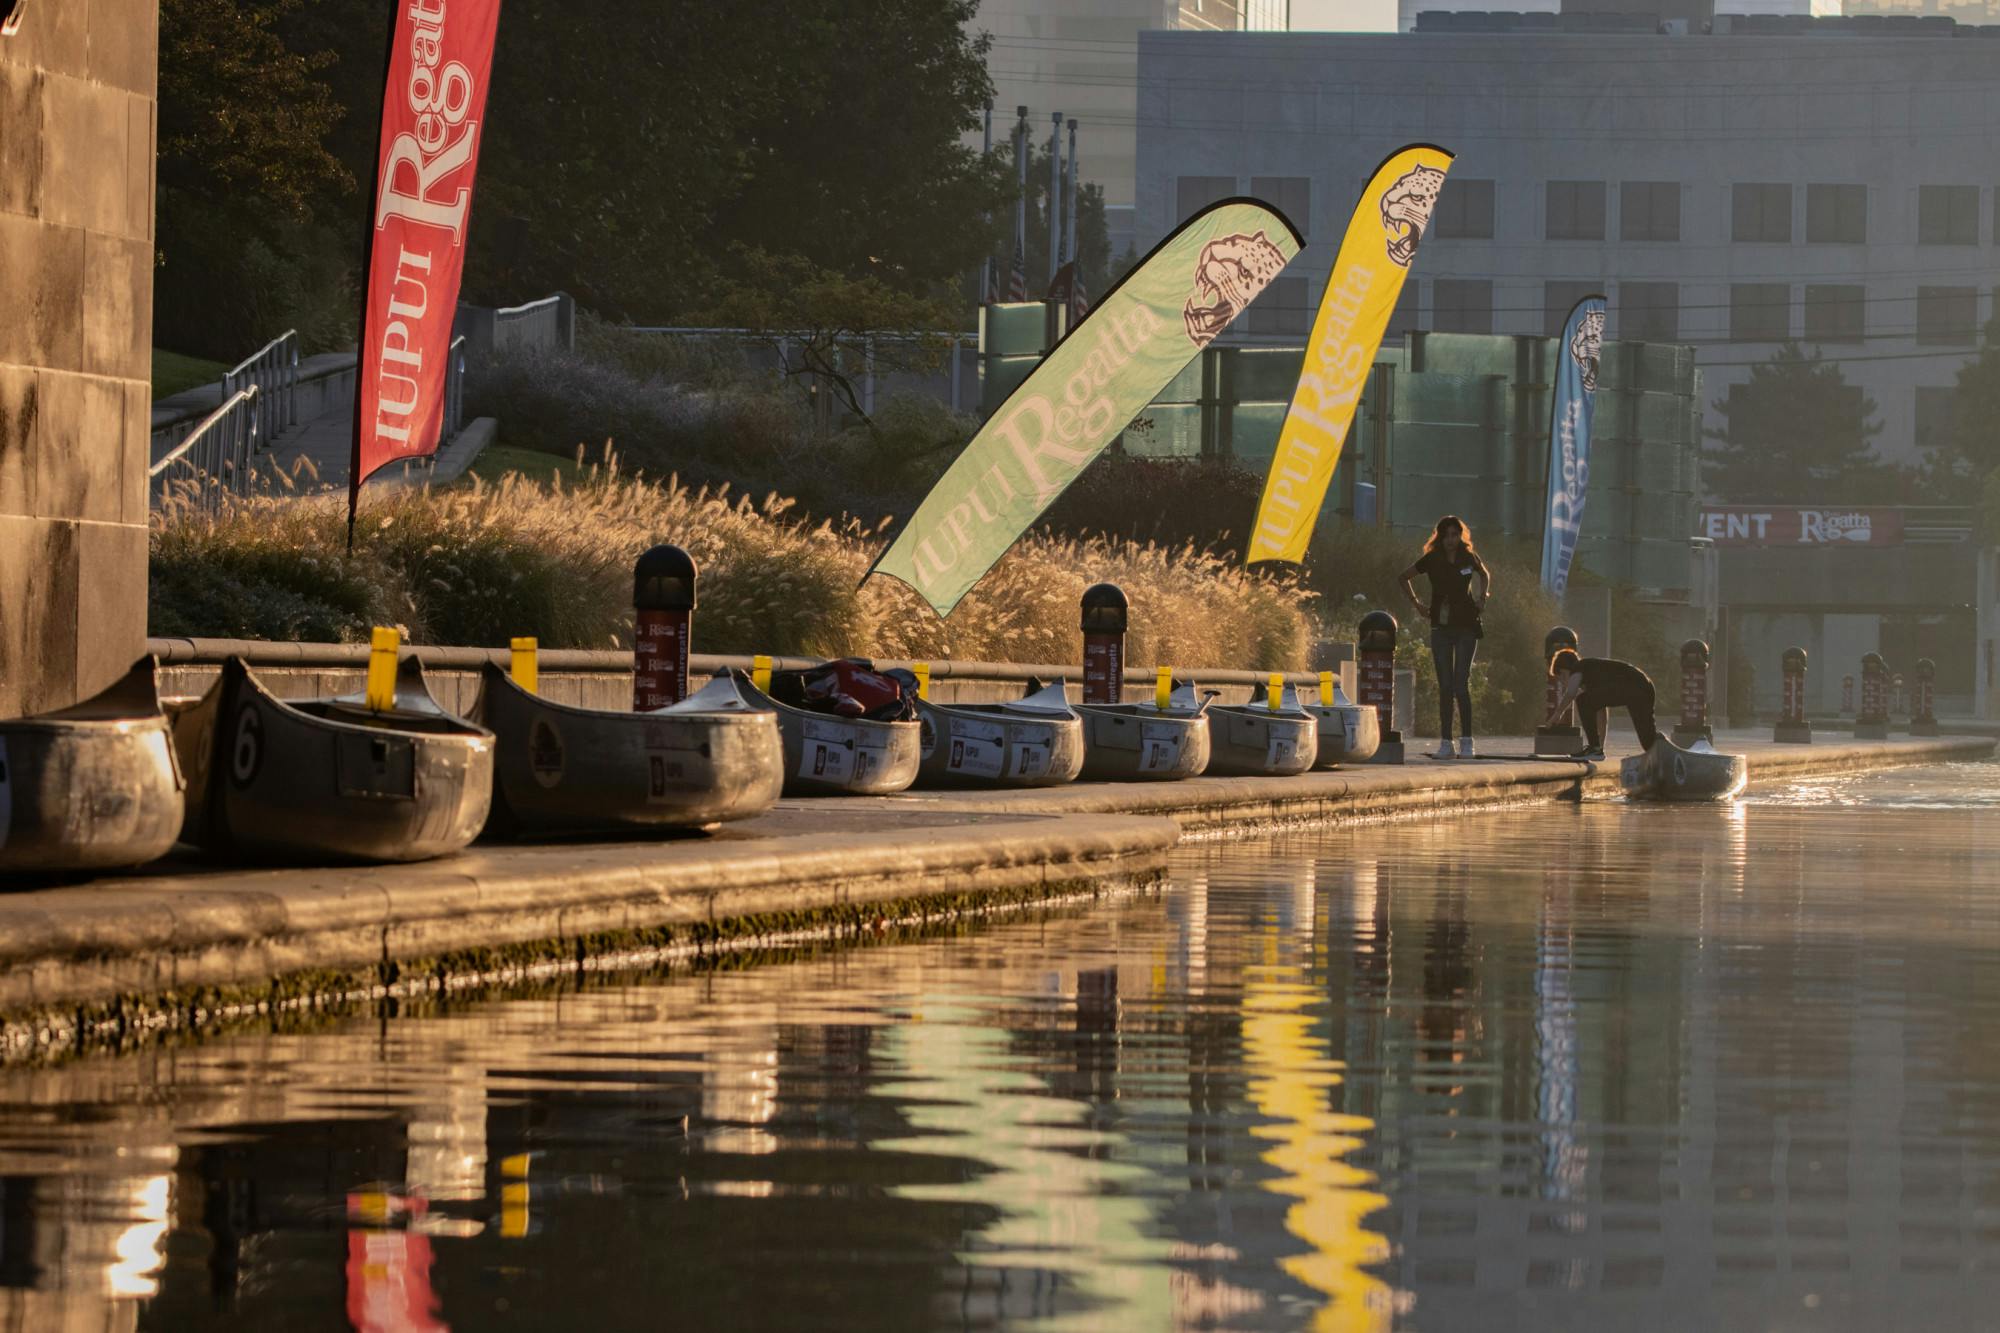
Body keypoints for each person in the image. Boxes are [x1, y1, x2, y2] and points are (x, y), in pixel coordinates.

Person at [1398, 515, 1491, 760]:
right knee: (1445, 687)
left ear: (1460, 535)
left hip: (1466, 626)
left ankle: (1467, 742)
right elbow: (1403, 577)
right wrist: (1417, 604)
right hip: (1440, 626)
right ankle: (1446, 743)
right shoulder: (1432, 559)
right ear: (1440, 536)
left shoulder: (1468, 557)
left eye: (1455, 534)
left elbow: (1484, 574)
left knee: (1461, 684)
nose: (1451, 540)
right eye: (1447, 535)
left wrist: (1482, 598)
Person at [1546, 648, 1657, 760]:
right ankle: (1596, 749)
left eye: (1560, 678)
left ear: (1564, 671)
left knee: (1582, 700)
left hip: (1636, 687)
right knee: (1648, 741)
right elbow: (1601, 712)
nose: (1562, 683)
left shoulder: (1578, 667)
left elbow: (1570, 693)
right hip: (1644, 686)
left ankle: (1594, 749)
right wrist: (1600, 748)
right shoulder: (1592, 675)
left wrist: (1557, 714)